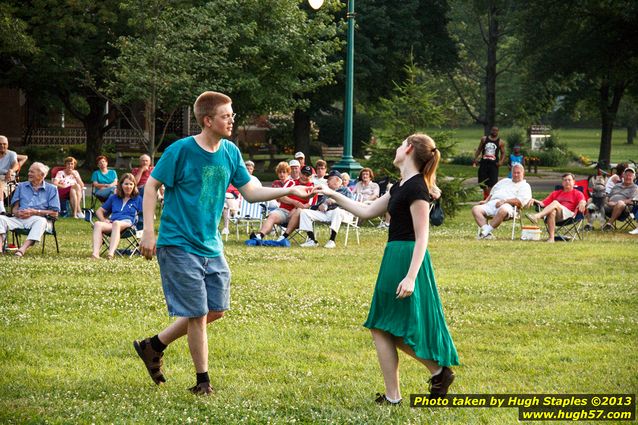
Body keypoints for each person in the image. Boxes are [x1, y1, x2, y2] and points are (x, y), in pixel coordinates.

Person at [134, 91, 311, 395]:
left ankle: (153, 345)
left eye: (232, 115)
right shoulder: (181, 150)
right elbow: (152, 185)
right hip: (178, 243)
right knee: (199, 314)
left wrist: (291, 192)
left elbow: (252, 191)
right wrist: (149, 231)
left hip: (210, 244)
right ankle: (203, 383)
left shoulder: (229, 151)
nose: (231, 120)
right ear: (207, 120)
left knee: (215, 309)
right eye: (226, 115)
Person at [317, 133, 458, 402]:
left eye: (399, 143)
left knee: (385, 324)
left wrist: (411, 276)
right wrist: (332, 193)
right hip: (393, 255)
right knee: (381, 325)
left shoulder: (418, 188)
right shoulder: (399, 186)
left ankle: (431, 376)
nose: (396, 147)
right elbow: (366, 210)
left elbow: (423, 236)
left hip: (407, 257)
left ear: (408, 149)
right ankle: (428, 378)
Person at [0, 162, 60, 256]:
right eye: (29, 171)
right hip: (19, 218)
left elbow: (54, 213)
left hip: (38, 219)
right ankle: (0, 248)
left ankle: (22, 250)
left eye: (32, 172)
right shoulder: (21, 186)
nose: (29, 174)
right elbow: (14, 208)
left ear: (42, 175)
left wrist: (34, 212)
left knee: (41, 221)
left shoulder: (51, 189)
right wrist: (17, 213)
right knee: (1, 219)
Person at [252, 164, 314, 240]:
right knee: (272, 216)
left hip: (298, 216)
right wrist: (294, 202)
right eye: (303, 174)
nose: (304, 176)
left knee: (299, 211)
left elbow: (308, 205)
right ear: (300, 173)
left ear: (310, 176)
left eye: (307, 175)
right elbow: (280, 196)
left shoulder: (312, 188)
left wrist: (295, 208)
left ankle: (283, 237)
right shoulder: (291, 182)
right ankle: (260, 235)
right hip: (284, 211)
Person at [472, 163, 532, 240]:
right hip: (492, 203)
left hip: (509, 206)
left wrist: (504, 201)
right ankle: (487, 233)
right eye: (514, 172)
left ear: (523, 174)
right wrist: (486, 200)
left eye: (518, 173)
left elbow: (519, 202)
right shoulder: (504, 181)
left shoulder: (525, 186)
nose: (516, 175)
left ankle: (484, 232)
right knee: (475, 209)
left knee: (503, 209)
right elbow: (493, 192)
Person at [91, 173, 142, 259]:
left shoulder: (137, 199)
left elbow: (145, 214)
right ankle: (95, 254)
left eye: (131, 184)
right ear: (121, 185)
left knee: (117, 223)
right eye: (126, 184)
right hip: (113, 222)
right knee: (97, 224)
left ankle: (110, 254)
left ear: (134, 186)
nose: (128, 186)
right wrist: (103, 220)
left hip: (129, 224)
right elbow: (99, 211)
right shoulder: (114, 198)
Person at [299, 170, 354, 248]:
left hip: (343, 213)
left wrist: (336, 201)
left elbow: (352, 204)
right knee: (304, 212)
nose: (327, 181)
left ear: (337, 180)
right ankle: (312, 240)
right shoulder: (326, 191)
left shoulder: (346, 190)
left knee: (337, 211)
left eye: (329, 179)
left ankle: (332, 240)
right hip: (327, 213)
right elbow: (319, 204)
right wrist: (320, 206)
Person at [526, 173, 586, 242]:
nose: (567, 182)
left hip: (569, 215)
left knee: (555, 203)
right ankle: (551, 238)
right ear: (562, 183)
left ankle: (537, 216)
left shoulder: (577, 193)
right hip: (557, 216)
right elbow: (543, 203)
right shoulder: (556, 193)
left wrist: (583, 202)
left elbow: (583, 200)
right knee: (552, 211)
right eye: (565, 180)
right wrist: (534, 200)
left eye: (569, 180)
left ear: (574, 182)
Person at [473, 126, 505, 199]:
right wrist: (475, 158)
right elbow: (479, 149)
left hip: (494, 164)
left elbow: (503, 153)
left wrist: (501, 162)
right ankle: (486, 195)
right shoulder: (484, 139)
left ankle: (489, 198)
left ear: (498, 132)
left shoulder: (500, 142)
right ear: (491, 130)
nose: (494, 132)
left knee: (492, 182)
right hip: (484, 163)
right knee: (482, 180)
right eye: (493, 130)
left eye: (496, 130)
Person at [602, 166, 638, 231]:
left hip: (624, 209)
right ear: (623, 176)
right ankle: (589, 225)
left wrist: (615, 203)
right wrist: (606, 201)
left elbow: (632, 200)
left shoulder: (635, 188)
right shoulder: (617, 185)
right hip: (608, 206)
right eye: (626, 175)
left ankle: (609, 224)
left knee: (620, 203)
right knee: (593, 200)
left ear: (634, 177)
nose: (628, 177)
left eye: (630, 176)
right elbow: (609, 195)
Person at [0, 135, 27, 214]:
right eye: (0, 144)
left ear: (7, 145)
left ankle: (1, 209)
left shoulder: (12, 154)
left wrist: (11, 170)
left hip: (7, 178)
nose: (2, 146)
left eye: (4, 144)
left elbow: (16, 164)